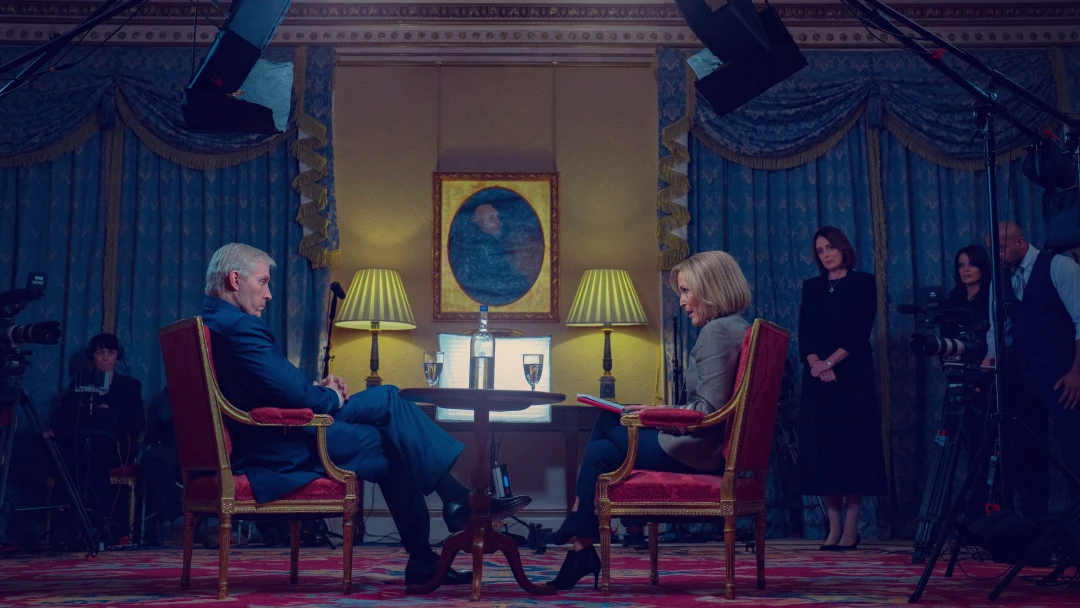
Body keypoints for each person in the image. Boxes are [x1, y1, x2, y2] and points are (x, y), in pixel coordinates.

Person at [198, 243, 530, 586]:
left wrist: (318, 389)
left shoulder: (212, 321)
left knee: (388, 397)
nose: (268, 294)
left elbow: (272, 388)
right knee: (393, 443)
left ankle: (450, 511)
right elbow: (295, 396)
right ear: (235, 280)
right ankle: (447, 517)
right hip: (279, 445)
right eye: (263, 282)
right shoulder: (241, 327)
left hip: (275, 430)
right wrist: (329, 395)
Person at [545, 250, 751, 591]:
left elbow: (707, 412)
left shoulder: (716, 332)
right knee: (599, 453)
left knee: (607, 419)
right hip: (706, 446)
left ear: (711, 288)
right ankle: (581, 548)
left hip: (699, 451)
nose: (681, 302)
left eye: (686, 291)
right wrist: (656, 409)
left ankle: (578, 519)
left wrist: (654, 416)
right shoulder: (738, 327)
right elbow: (711, 405)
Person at [982, 221, 1080, 521]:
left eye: (1001, 249)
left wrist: (1077, 372)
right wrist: (991, 360)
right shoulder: (999, 278)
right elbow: (997, 327)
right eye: (993, 251)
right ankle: (1035, 532)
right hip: (1024, 378)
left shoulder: (1060, 267)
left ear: (1020, 243)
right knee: (1026, 456)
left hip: (1064, 375)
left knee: (1075, 452)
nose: (997, 256)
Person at [797, 226, 886, 551]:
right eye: (820, 250)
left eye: (830, 247)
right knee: (825, 451)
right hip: (817, 378)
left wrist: (829, 363)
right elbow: (804, 332)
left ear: (843, 249)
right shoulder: (812, 287)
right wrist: (816, 363)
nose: (826, 254)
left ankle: (851, 528)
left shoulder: (863, 282)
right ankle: (833, 528)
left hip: (852, 376)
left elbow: (859, 332)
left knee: (853, 448)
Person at [51, 333, 145, 542]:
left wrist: (110, 412)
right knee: (65, 459)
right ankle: (70, 529)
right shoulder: (79, 384)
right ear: (91, 356)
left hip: (114, 447)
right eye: (100, 352)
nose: (105, 358)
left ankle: (102, 528)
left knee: (97, 459)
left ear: (117, 356)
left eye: (110, 352)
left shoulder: (130, 386)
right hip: (81, 444)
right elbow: (65, 417)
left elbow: (137, 421)